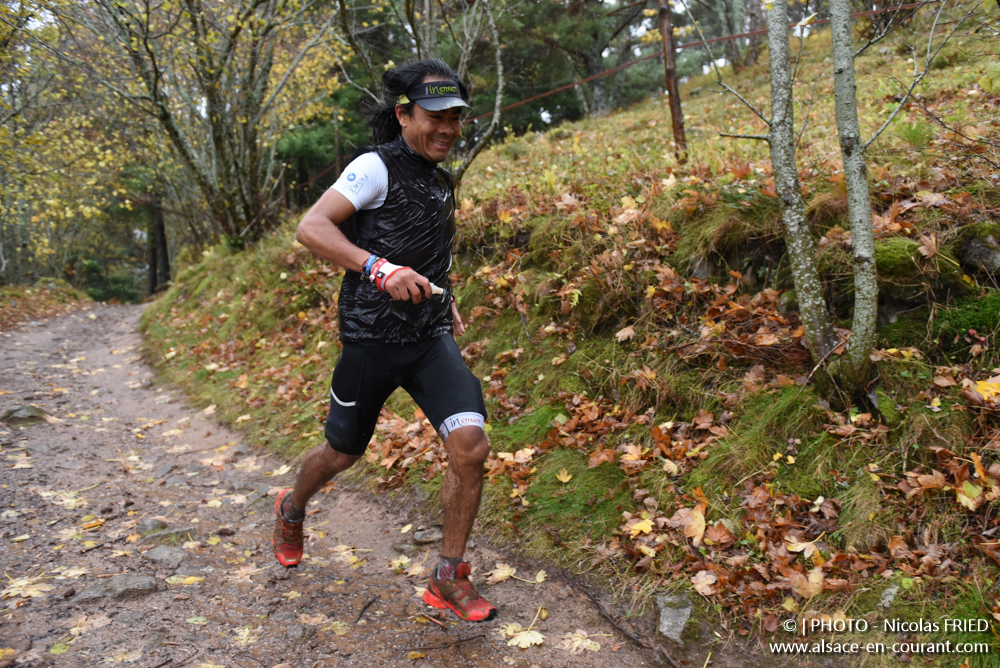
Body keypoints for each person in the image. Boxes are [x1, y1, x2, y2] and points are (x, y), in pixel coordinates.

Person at [272, 59, 497, 623]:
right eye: (435, 116)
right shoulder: (373, 167)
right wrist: (378, 269)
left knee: (470, 447)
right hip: (371, 342)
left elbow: (424, 247)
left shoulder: (440, 176)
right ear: (404, 114)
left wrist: (446, 295)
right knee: (342, 453)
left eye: (456, 118)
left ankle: (448, 576)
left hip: (428, 341)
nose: (447, 128)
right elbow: (312, 228)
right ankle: (293, 506)